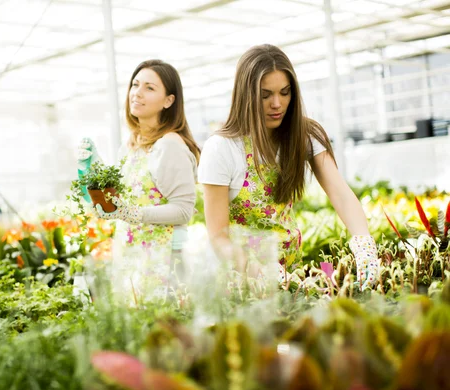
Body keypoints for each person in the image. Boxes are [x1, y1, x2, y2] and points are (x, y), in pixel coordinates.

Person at [198, 44, 378, 291]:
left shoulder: (302, 135)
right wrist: (257, 270)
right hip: (243, 283)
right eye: (265, 95)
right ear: (245, 95)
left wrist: (364, 243)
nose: (277, 104)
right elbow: (218, 236)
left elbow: (341, 193)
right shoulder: (221, 148)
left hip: (294, 276)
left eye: (285, 92)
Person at [76, 59, 200, 300]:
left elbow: (184, 210)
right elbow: (125, 198)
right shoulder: (131, 144)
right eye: (135, 85)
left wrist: (133, 214)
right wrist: (92, 167)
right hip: (131, 259)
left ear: (169, 101)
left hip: (162, 264)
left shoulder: (169, 146)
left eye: (149, 88)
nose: (137, 93)